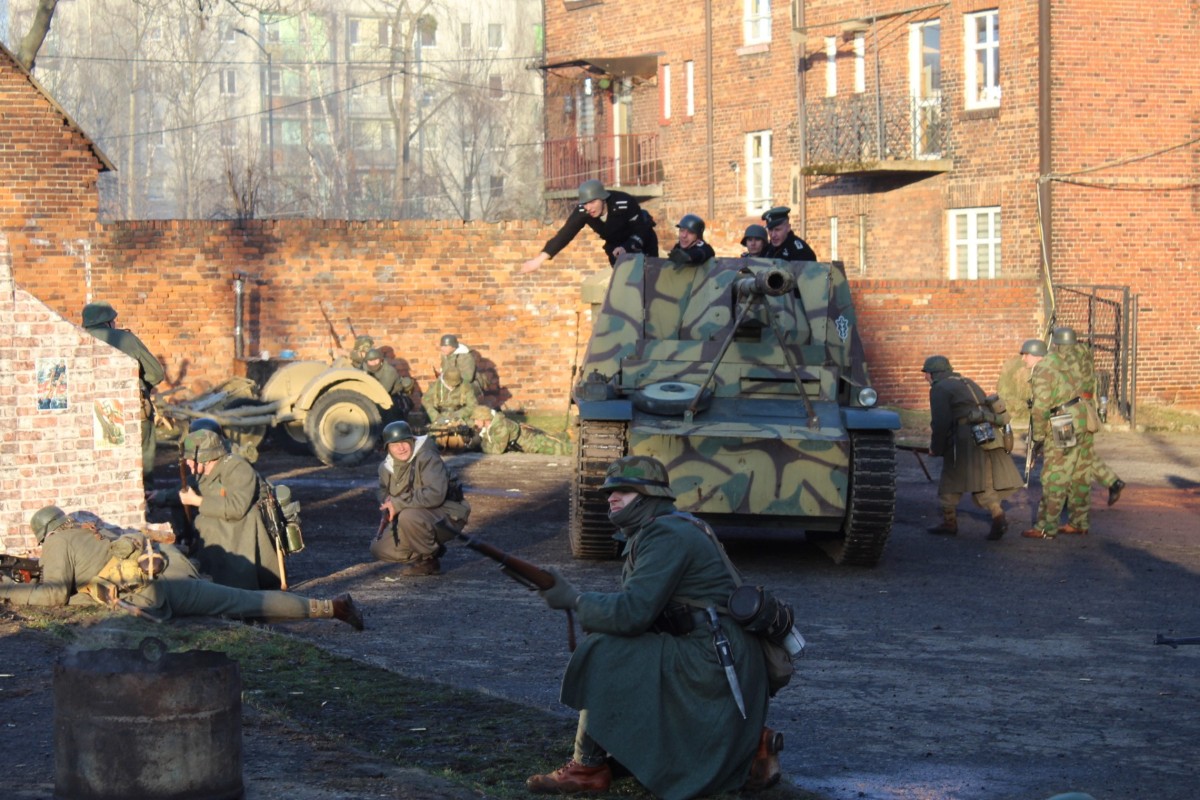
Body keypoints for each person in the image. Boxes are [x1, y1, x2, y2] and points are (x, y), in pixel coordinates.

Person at [526, 455, 777, 798]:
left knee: (604, 651)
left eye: (623, 491)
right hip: (717, 653)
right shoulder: (670, 526)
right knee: (621, 648)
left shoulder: (665, 534)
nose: (611, 497)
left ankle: (587, 767)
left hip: (713, 659)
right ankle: (751, 743)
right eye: (609, 492)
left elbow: (633, 613)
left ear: (649, 496)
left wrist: (575, 600)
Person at [0, 506, 362, 630]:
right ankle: (328, 607)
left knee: (243, 603)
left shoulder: (57, 542)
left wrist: (6, 590)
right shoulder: (82, 530)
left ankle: (333, 607)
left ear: (44, 535)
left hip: (156, 590)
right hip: (165, 565)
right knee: (240, 603)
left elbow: (53, 594)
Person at [922, 355, 1022, 539]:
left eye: (926, 374)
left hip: (964, 438)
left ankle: (949, 522)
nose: (925, 378)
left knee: (950, 479)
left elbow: (941, 423)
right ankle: (997, 515)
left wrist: (936, 448)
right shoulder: (967, 382)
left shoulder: (939, 388)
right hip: (986, 434)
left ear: (933, 373)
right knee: (982, 479)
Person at [176, 428, 284, 589]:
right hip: (226, 522)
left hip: (243, 525)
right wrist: (159, 495)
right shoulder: (208, 470)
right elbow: (192, 486)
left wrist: (197, 501)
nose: (188, 463)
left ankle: (230, 587)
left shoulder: (237, 467)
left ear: (205, 457)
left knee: (210, 527)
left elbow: (237, 508)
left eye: (191, 459)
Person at [81, 301, 166, 484]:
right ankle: (146, 498)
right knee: (143, 457)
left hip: (93, 413)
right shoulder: (125, 339)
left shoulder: (77, 340)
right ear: (108, 322)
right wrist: (142, 385)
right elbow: (156, 374)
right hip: (132, 408)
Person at [371, 421, 470, 575]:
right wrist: (387, 502)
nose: (401, 448)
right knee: (380, 548)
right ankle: (428, 548)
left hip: (449, 514)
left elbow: (435, 494)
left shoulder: (427, 457)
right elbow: (383, 491)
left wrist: (398, 504)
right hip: (415, 518)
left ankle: (428, 560)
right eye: (394, 444)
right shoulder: (385, 468)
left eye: (404, 442)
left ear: (412, 441)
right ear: (387, 448)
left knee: (409, 516)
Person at [1019, 338, 1091, 539]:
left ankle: (1046, 527)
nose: (1023, 359)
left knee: (1054, 475)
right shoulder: (1059, 362)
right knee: (1077, 474)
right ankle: (1079, 522)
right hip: (1079, 417)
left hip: (1062, 422)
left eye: (1025, 354)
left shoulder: (1042, 370)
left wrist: (1038, 437)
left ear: (1036, 355)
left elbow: (1040, 408)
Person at [1051, 327, 1125, 506]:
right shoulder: (1084, 352)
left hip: (1067, 409)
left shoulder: (1063, 357)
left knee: (1066, 453)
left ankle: (1066, 499)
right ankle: (1112, 482)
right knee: (1083, 452)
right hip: (1087, 406)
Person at [522, 179, 658, 272]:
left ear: (603, 199)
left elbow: (640, 230)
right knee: (624, 282)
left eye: (592, 202)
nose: (589, 208)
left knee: (650, 276)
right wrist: (538, 261)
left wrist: (626, 247)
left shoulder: (624, 202)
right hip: (615, 246)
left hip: (642, 239)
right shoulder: (583, 211)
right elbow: (564, 235)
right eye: (585, 203)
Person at [472, 406, 571, 456]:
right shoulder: (489, 426)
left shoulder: (500, 426)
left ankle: (580, 443)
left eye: (476, 419)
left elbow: (497, 450)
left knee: (567, 450)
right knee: (558, 439)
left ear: (484, 418)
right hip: (531, 440)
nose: (475, 422)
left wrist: (481, 444)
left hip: (535, 444)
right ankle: (568, 434)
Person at [362, 348, 415, 416]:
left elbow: (383, 391)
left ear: (381, 360)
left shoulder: (389, 371)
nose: (374, 363)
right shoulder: (364, 369)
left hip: (393, 399)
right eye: (371, 361)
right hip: (375, 398)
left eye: (376, 360)